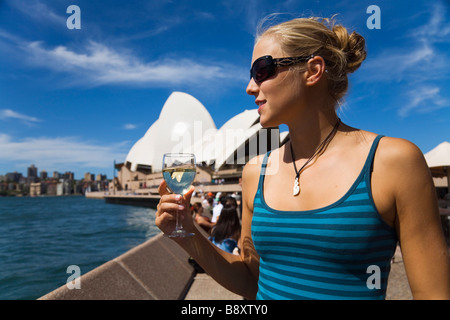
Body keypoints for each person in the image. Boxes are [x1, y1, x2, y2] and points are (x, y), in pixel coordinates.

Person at [156, 16, 450, 300]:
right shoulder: (255, 172)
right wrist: (187, 233)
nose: (250, 87)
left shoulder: (392, 162)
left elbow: (434, 294)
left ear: (313, 70)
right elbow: (250, 280)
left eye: (261, 71)